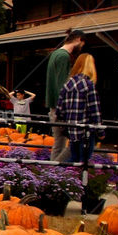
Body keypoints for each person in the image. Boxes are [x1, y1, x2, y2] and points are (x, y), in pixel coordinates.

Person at [56, 53, 103, 164]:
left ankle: (60, 176)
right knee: (84, 162)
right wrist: (100, 131)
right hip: (85, 130)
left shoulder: (67, 85)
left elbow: (59, 110)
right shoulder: (88, 85)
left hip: (71, 130)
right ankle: (74, 178)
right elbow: (95, 111)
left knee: (74, 159)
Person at [46, 29, 85, 161]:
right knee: (76, 141)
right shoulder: (64, 57)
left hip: (54, 106)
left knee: (59, 143)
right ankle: (55, 169)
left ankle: (52, 172)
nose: (81, 48)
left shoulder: (55, 54)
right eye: (82, 45)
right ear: (78, 40)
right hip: (61, 108)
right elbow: (62, 85)